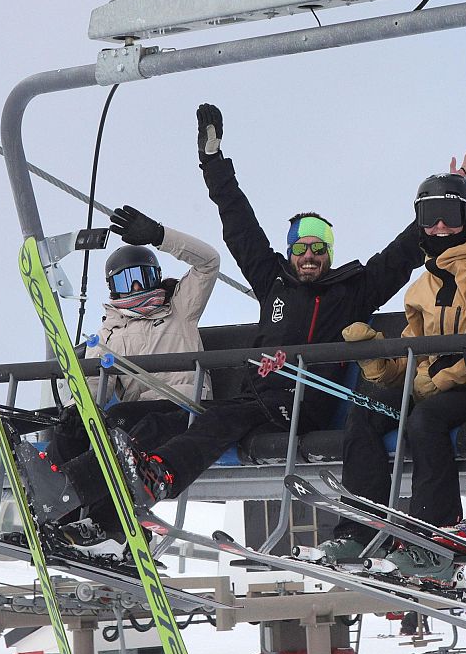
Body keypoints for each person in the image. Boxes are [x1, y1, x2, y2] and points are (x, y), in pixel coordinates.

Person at [40, 103, 435, 539]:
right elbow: (240, 226)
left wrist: (437, 209)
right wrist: (213, 162)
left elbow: (400, 256)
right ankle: (77, 499)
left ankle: (159, 475)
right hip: (259, 399)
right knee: (167, 422)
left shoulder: (352, 291)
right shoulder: (274, 283)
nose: (308, 256)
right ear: (290, 252)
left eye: (318, 249)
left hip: (303, 403)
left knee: (218, 419)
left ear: (329, 253)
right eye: (300, 248)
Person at [312, 170, 466, 583]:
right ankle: (360, 531)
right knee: (365, 412)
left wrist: (443, 378)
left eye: (448, 215)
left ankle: (434, 541)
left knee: (425, 419)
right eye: (427, 216)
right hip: (436, 385)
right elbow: (414, 354)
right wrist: (379, 363)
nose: (438, 227)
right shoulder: (424, 286)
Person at [0, 205, 218, 508]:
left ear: (157, 278)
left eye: (143, 276)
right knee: (77, 430)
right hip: (140, 414)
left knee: (121, 421)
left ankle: (82, 493)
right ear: (113, 288)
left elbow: (209, 262)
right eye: (126, 281)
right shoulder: (109, 334)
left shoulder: (180, 308)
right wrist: (74, 410)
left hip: (185, 408)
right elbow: (95, 384)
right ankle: (58, 504)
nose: (136, 287)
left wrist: (159, 236)